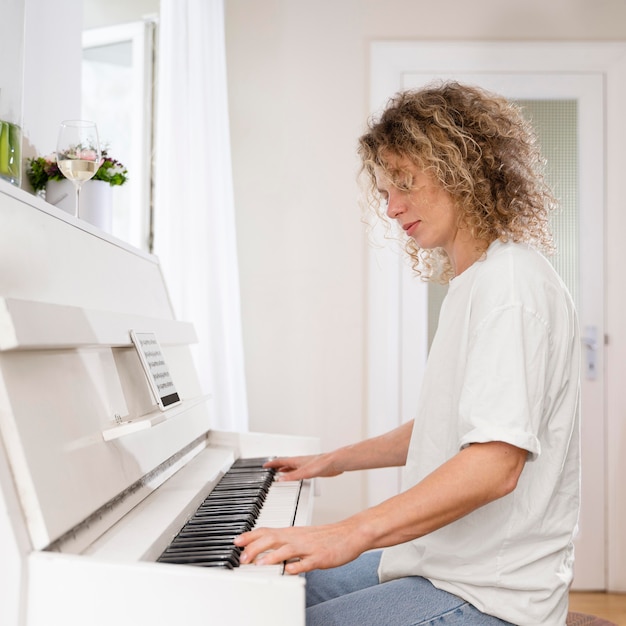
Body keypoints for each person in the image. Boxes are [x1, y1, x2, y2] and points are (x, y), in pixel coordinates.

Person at [235, 81, 581, 626]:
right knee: (256, 591)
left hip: (489, 595)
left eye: (405, 184)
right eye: (384, 192)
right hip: (438, 562)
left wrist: (347, 531)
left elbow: (493, 465)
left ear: (461, 168)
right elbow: (451, 423)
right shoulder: (479, 278)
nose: (392, 208)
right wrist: (338, 459)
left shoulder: (510, 285)